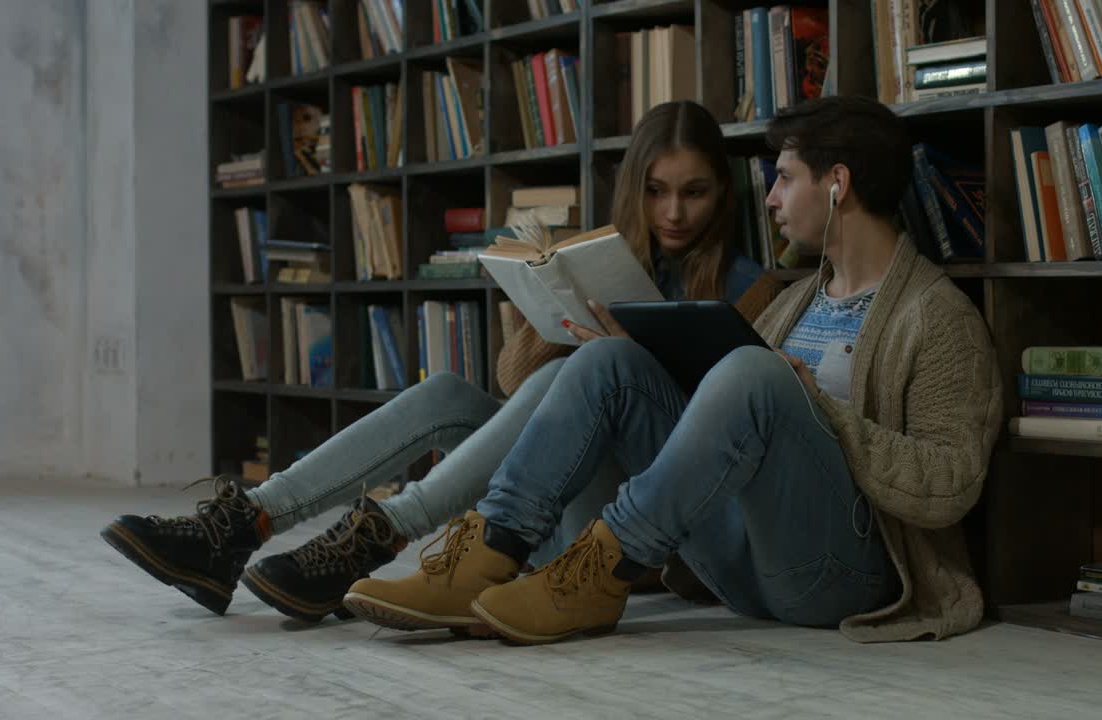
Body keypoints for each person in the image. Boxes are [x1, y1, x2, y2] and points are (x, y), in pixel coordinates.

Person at [343, 96, 1003, 645]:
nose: (771, 198)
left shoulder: (936, 317)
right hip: (733, 564)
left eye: (786, 177)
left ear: (837, 185)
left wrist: (818, 408)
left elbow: (950, 484)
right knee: (612, 358)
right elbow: (719, 438)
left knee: (754, 370)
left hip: (838, 575)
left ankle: (603, 571)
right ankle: (490, 547)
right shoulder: (796, 302)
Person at [99, 100, 782, 623]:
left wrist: (622, 368)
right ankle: (247, 521)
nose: (673, 211)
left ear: (723, 193)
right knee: (453, 391)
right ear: (633, 188)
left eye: (694, 192)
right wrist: (545, 315)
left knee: (578, 375)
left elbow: (725, 442)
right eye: (657, 190)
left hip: (633, 534)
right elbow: (514, 385)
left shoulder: (749, 286)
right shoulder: (606, 259)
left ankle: (378, 535)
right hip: (551, 497)